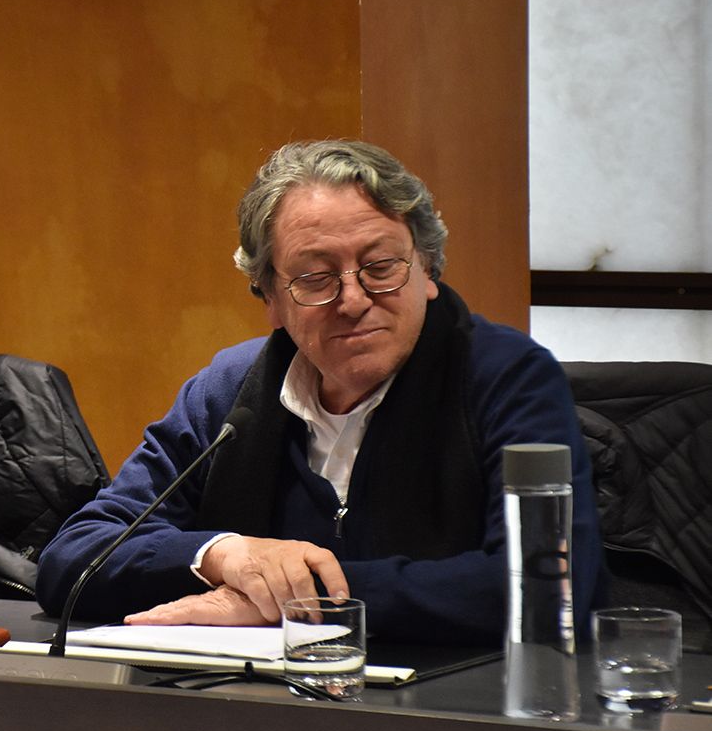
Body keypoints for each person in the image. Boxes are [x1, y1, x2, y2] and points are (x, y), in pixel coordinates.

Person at [36, 140, 602, 645]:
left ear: (428, 270)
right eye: (315, 278)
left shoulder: (505, 378)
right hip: (256, 708)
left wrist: (295, 602)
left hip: (453, 709)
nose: (353, 300)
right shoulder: (230, 392)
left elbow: (548, 584)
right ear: (270, 298)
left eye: (381, 266)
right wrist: (225, 555)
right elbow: (73, 557)